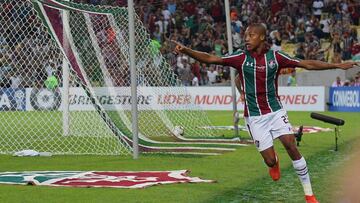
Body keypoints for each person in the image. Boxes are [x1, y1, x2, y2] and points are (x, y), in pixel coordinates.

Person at [172, 23, 358, 203]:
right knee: (269, 161)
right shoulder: (241, 57)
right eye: (245, 35)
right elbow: (211, 59)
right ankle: (274, 162)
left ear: (262, 37)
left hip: (275, 110)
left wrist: (337, 66)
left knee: (291, 145)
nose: (246, 39)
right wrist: (186, 50)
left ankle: (309, 195)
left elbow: (306, 64)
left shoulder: (275, 57)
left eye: (251, 35)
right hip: (255, 117)